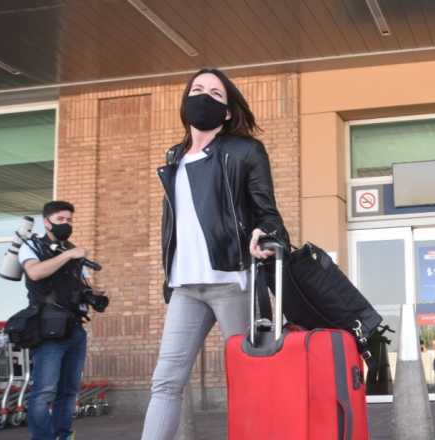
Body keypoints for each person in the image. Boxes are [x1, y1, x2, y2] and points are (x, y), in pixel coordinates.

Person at [142, 68, 290, 440]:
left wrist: (265, 235)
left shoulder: (244, 150)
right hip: (185, 287)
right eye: (197, 89)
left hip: (232, 282)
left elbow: (266, 212)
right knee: (165, 381)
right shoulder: (174, 156)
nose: (203, 96)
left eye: (214, 93)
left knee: (249, 380)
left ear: (226, 111)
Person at [20, 201, 100, 440]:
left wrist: (95, 294)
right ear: (47, 221)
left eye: (70, 220)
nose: (67, 224)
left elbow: (83, 285)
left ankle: (63, 435)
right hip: (47, 330)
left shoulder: (72, 251)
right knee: (44, 392)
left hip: (75, 328)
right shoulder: (32, 246)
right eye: (61, 219)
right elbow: (35, 272)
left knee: (68, 392)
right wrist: (68, 255)